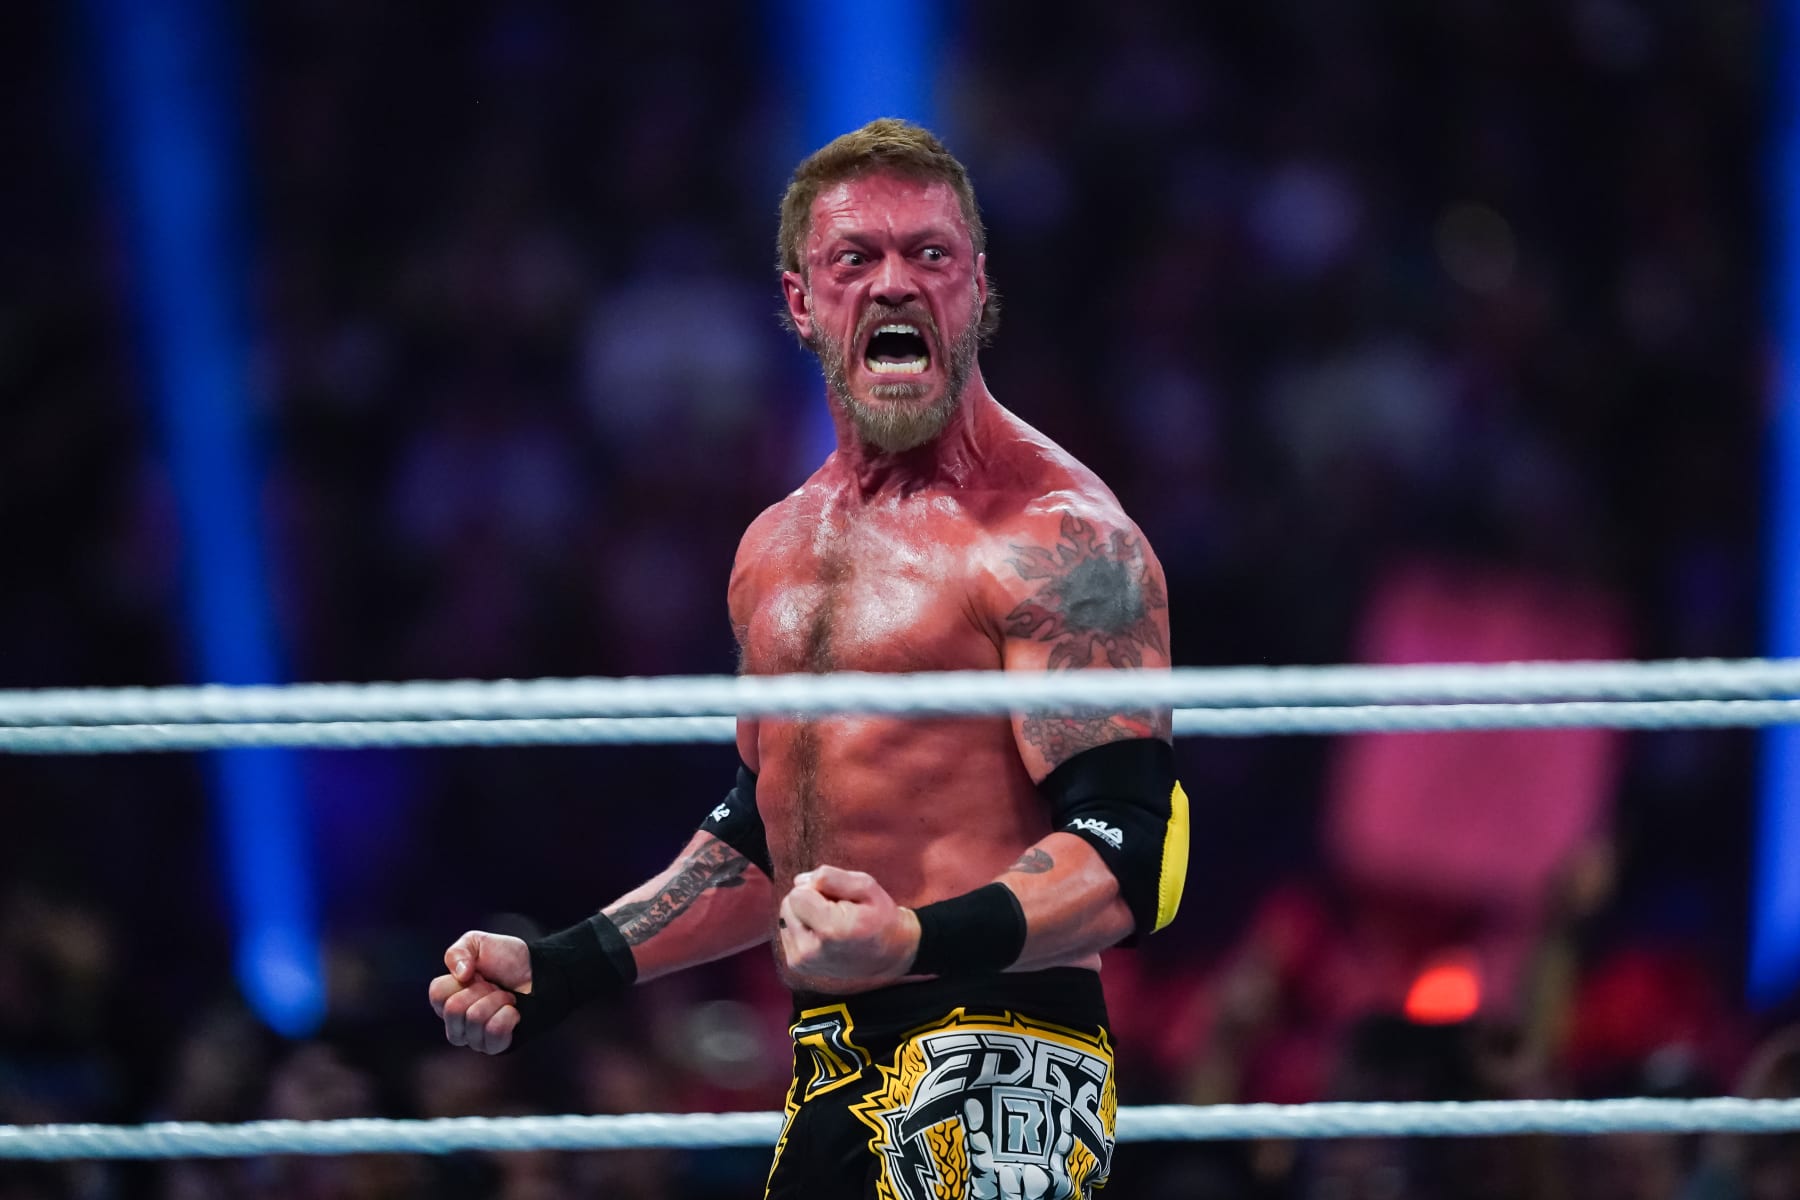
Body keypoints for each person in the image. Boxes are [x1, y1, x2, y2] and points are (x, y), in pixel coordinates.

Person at [429, 118, 1189, 1199]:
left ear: (979, 291)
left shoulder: (1059, 538)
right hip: (831, 1054)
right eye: (855, 259)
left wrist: (911, 938)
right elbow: (765, 832)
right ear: (800, 303)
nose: (894, 284)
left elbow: (1131, 857)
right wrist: (563, 969)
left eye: (930, 254)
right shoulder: (775, 551)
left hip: (1007, 1050)